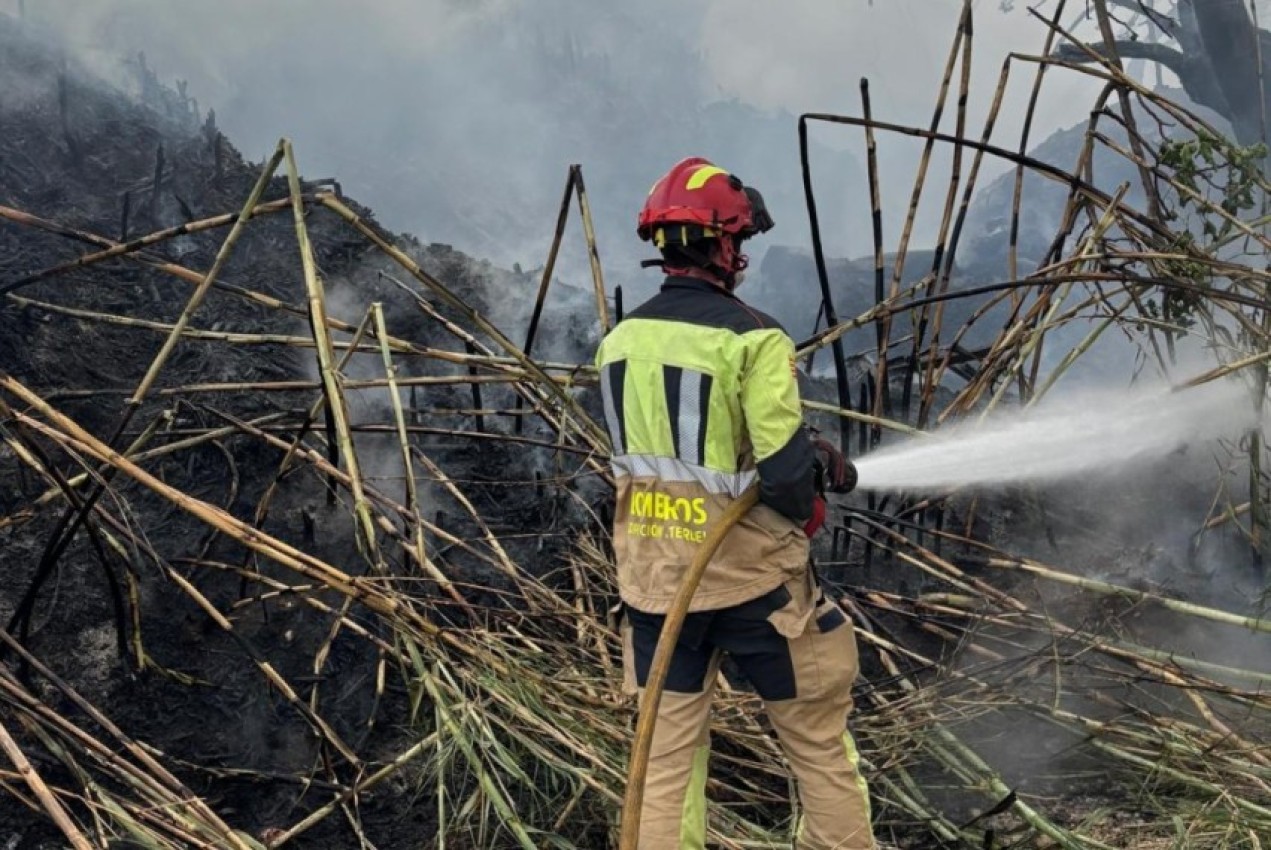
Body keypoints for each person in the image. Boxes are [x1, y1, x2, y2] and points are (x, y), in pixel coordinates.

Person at [596, 157, 875, 849]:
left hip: (655, 586)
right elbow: (781, 481)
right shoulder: (753, 337)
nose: (742, 253)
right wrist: (813, 475)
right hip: (753, 587)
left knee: (662, 763)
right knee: (815, 742)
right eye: (738, 240)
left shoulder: (619, 339)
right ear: (722, 245)